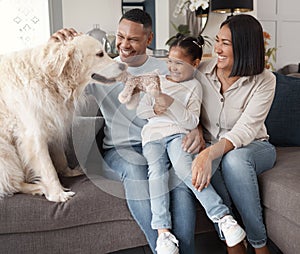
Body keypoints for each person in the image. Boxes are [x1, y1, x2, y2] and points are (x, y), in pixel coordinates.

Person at [50, 9, 202, 254]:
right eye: (121, 36)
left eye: (133, 39)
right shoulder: (100, 69)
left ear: (149, 40)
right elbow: (57, 83)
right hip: (120, 150)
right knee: (134, 169)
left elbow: (189, 104)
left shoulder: (167, 70)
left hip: (161, 145)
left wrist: (198, 128)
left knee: (181, 184)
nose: (124, 44)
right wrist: (55, 46)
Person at [137, 34, 246, 254]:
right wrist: (154, 108)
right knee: (156, 173)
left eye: (179, 63)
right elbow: (142, 110)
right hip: (152, 137)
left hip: (178, 135)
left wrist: (168, 102)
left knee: (186, 168)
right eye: (169, 60)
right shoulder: (157, 79)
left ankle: (222, 217)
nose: (172, 67)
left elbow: (191, 120)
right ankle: (163, 233)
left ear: (195, 64)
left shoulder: (194, 86)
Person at [192, 14, 277, 254]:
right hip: (212, 145)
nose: (217, 49)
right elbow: (187, 107)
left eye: (225, 43)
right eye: (217, 41)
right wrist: (197, 132)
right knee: (208, 160)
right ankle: (234, 242)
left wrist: (209, 153)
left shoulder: (264, 80)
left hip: (255, 147)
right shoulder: (201, 71)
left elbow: (247, 128)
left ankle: (260, 245)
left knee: (234, 159)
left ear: (244, 46)